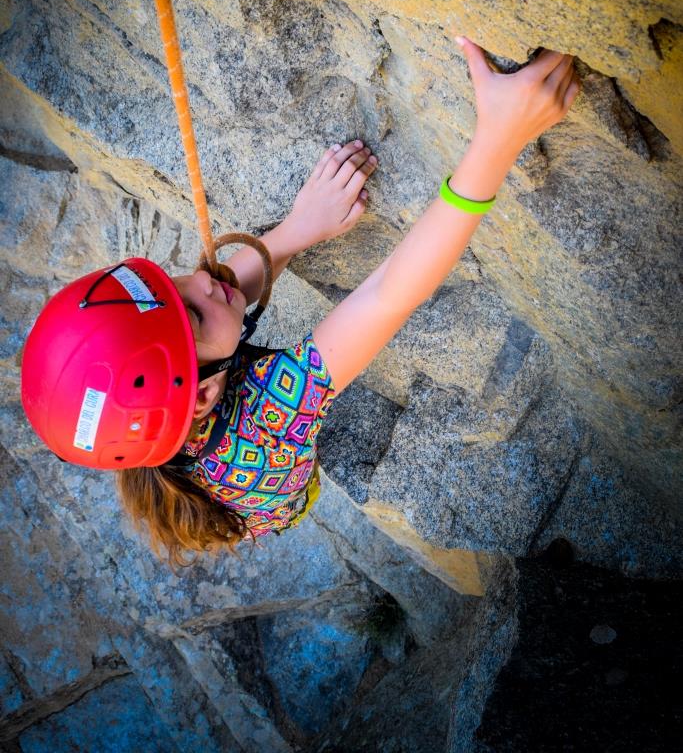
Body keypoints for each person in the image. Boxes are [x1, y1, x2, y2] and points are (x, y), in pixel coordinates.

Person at [21, 37, 580, 565]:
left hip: (207, 443)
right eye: (191, 312)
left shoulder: (167, 407)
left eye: (172, 283)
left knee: (211, 314)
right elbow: (388, 296)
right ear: (205, 394)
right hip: (273, 494)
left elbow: (215, 305)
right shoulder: (269, 419)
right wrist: (498, 138)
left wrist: (296, 230)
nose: (201, 281)